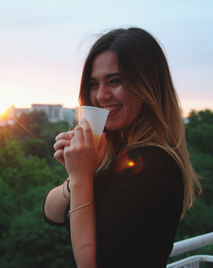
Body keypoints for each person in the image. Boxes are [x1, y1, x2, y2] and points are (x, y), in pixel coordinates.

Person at [43, 27, 201, 268]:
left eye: (115, 81)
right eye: (94, 83)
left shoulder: (154, 165)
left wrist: (82, 177)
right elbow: (51, 214)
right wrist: (76, 174)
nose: (101, 95)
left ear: (148, 85)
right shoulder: (114, 154)